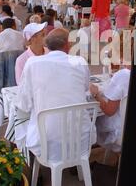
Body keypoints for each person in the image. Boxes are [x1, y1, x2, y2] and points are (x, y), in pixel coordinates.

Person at [16, 28, 93, 160]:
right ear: (67, 45)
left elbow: (24, 104)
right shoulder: (79, 62)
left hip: (46, 143)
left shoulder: (33, 63)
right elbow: (86, 88)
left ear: (47, 45)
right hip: (80, 140)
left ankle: (32, 169)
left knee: (21, 122)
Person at [90, 64, 131, 152]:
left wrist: (96, 94)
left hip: (119, 131)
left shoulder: (123, 75)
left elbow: (109, 111)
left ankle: (80, 155)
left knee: (88, 118)